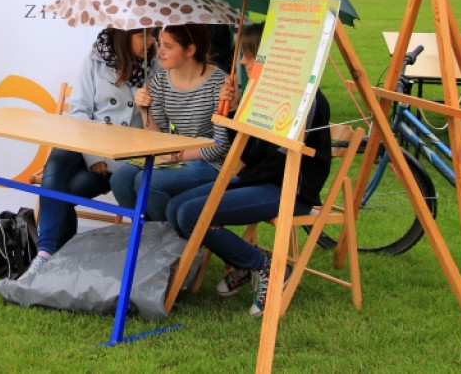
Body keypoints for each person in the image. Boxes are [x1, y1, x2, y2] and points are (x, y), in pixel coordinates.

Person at [164, 23, 333, 318]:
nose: (242, 61)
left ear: (271, 58)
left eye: (248, 54)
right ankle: (247, 263)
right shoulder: (264, 92)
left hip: (288, 189)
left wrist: (239, 180)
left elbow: (279, 162)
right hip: (258, 180)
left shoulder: (304, 98)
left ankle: (265, 267)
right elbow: (247, 152)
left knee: (191, 214)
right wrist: (234, 109)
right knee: (175, 207)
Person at [20, 27, 156, 279]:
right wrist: (93, 156)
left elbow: (155, 127)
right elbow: (79, 109)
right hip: (86, 144)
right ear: (125, 36)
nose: (151, 42)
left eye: (153, 35)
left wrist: (147, 105)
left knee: (63, 194)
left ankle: (55, 257)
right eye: (144, 36)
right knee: (57, 161)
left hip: (121, 158)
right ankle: (45, 253)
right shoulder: (96, 59)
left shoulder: (156, 68)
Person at [109, 23, 231, 221]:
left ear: (190, 50)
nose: (159, 52)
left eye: (168, 46)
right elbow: (159, 138)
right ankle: (148, 237)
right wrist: (145, 111)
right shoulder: (159, 81)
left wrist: (178, 155)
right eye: (159, 44)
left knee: (147, 182)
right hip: (173, 157)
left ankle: (173, 242)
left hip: (209, 163)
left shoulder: (219, 84)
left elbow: (220, 145)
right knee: (121, 177)